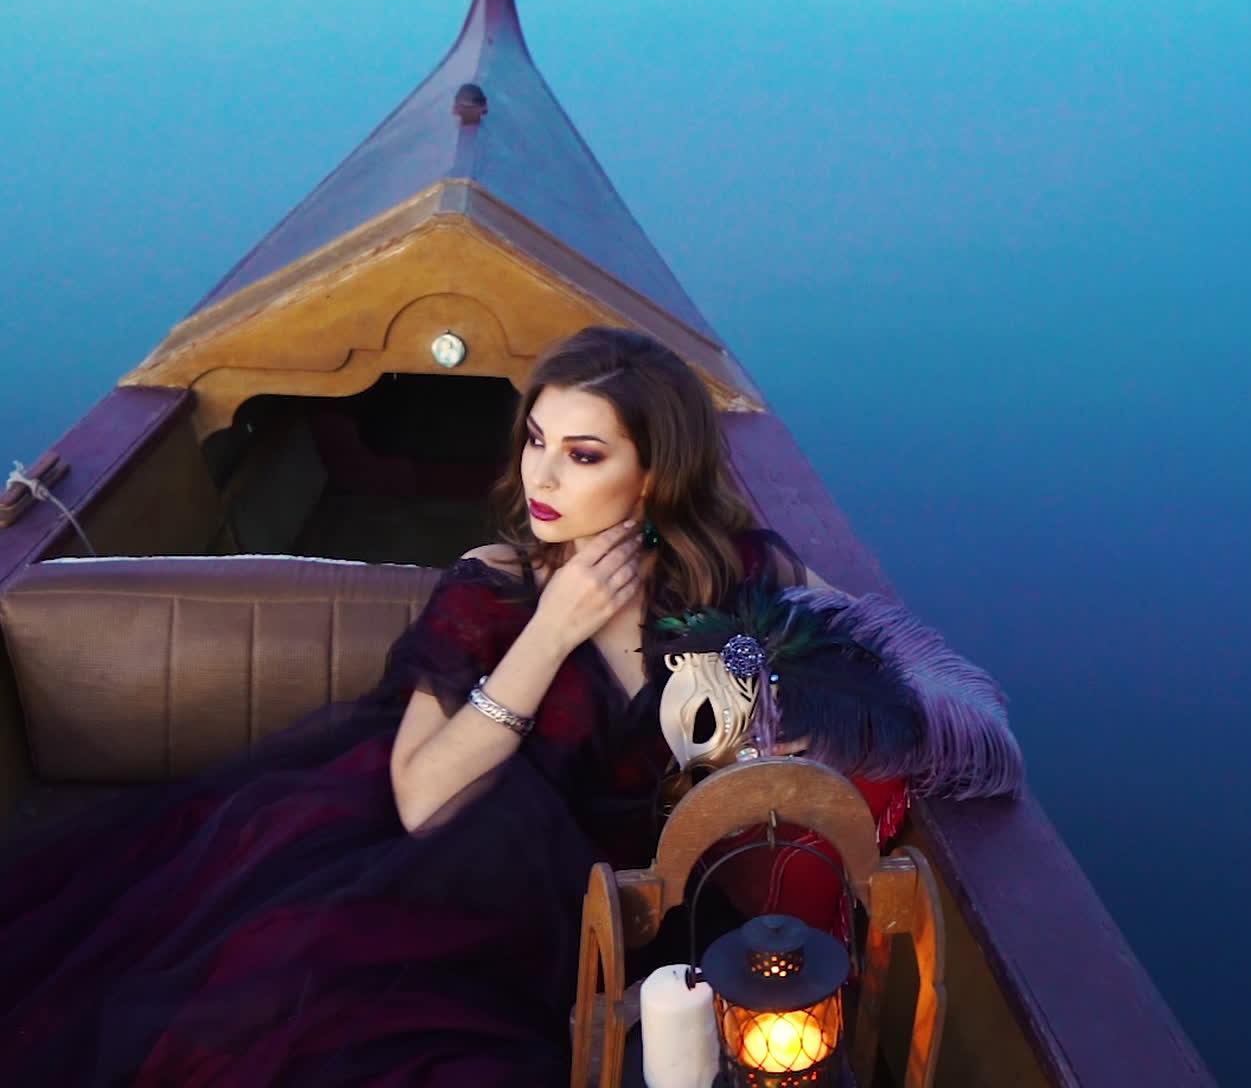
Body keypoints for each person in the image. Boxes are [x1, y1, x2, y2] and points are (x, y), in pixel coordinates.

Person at [0, 326, 905, 1086]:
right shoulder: (496, 585)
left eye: (583, 455)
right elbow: (421, 798)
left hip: (627, 910)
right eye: (535, 440)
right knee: (296, 1015)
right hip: (424, 871)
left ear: (655, 475)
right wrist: (552, 631)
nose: (542, 479)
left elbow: (884, 657)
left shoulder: (739, 573)